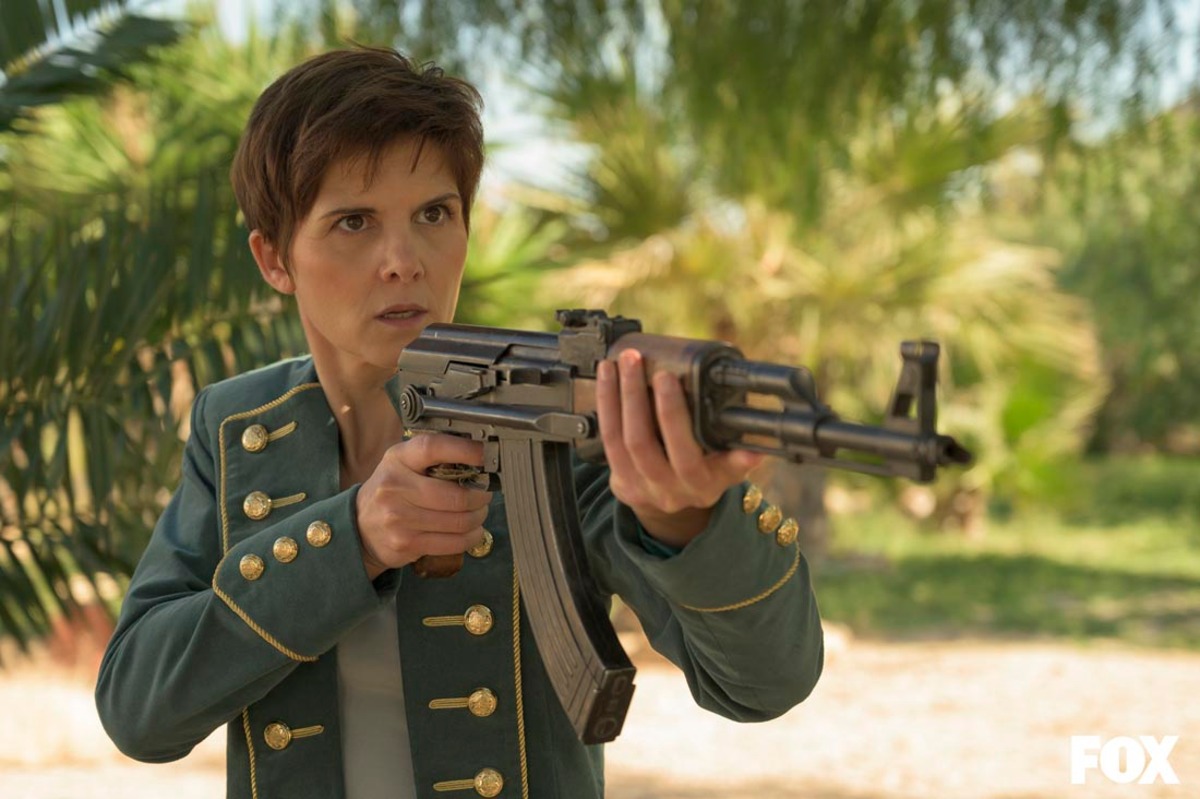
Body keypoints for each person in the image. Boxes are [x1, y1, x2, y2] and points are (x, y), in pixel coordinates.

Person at [95, 46, 823, 799]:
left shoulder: (548, 417)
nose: (404, 260)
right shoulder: (239, 429)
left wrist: (687, 519)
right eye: (354, 222)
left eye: (434, 214)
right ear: (274, 258)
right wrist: (352, 540)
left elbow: (765, 684)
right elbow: (137, 712)